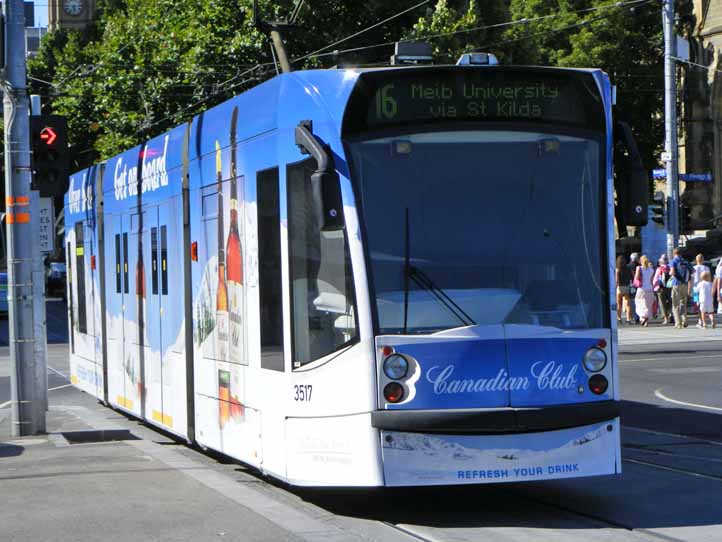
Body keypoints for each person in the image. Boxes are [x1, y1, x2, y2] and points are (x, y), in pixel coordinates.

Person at [669, 248, 694, 329]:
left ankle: (678, 323)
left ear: (674, 254)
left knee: (675, 304)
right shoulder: (685, 261)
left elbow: (672, 272)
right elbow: (693, 271)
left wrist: (670, 273)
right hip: (685, 284)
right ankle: (685, 320)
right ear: (681, 254)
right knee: (683, 303)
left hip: (676, 284)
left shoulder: (674, 261)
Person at [634, 255, 655, 326]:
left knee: (639, 304)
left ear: (641, 261)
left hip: (641, 289)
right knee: (647, 306)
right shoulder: (651, 269)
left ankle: (643, 317)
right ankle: (645, 320)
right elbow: (652, 280)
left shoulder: (639, 268)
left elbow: (636, 277)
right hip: (650, 288)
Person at [653, 254, 672, 325]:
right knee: (670, 301)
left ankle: (665, 318)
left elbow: (655, 280)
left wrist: (655, 288)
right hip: (670, 288)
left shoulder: (659, 269)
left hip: (661, 288)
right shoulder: (670, 268)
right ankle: (670, 314)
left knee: (662, 303)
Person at [692, 254, 710, 326]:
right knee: (704, 303)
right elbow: (709, 279)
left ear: (696, 260)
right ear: (703, 260)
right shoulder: (706, 268)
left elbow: (691, 279)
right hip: (704, 288)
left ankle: (700, 320)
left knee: (698, 304)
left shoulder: (693, 268)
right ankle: (702, 320)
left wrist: (689, 288)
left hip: (696, 288)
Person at [615, 255, 633, 323]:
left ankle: (619, 318)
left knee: (619, 304)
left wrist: (616, 287)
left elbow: (617, 280)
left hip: (620, 287)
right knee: (628, 304)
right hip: (627, 286)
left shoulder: (617, 269)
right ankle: (628, 319)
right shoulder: (628, 268)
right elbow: (632, 276)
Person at [628, 253, 640, 324]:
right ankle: (637, 317)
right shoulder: (638, 266)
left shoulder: (628, 266)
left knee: (632, 301)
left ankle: (634, 316)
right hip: (638, 285)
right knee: (637, 301)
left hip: (631, 285)